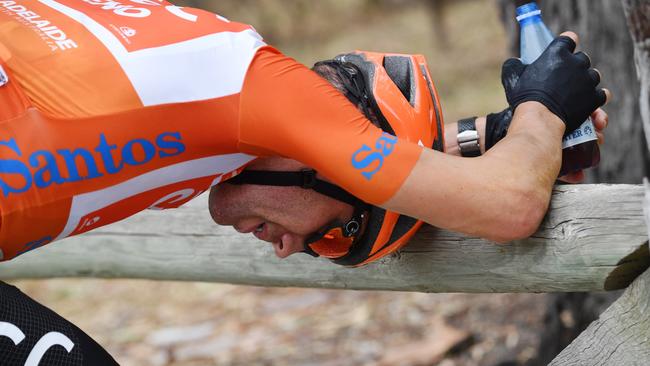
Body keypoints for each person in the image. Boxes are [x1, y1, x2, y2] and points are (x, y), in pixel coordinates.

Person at [0, 1, 609, 364]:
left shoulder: (227, 90)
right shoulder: (260, 93)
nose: (293, 249)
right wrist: (543, 110)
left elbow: (345, 163)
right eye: (338, 236)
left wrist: (492, 135)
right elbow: (510, 206)